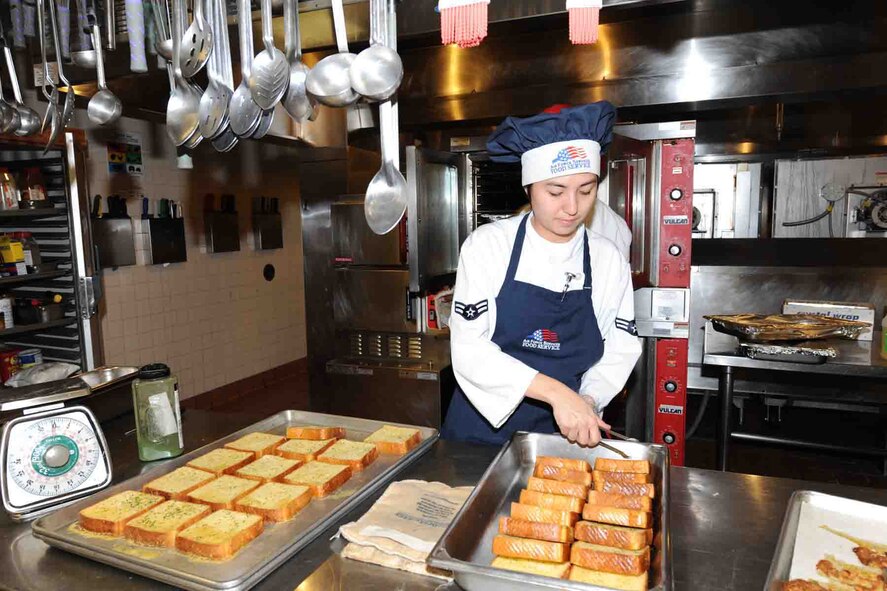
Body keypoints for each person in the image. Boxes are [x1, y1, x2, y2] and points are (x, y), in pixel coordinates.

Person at [441, 102, 642, 447]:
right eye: (555, 191)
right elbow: (469, 349)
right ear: (528, 188)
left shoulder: (608, 260)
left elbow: (620, 347)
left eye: (586, 190)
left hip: (564, 435)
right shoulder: (488, 246)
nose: (572, 207)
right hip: (481, 431)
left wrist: (588, 400)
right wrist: (556, 392)